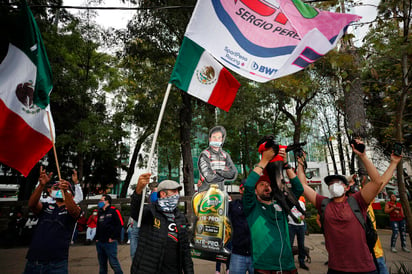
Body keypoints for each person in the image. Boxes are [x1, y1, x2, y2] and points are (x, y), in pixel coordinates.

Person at [300, 139, 382, 273]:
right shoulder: (324, 203)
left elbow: (377, 182)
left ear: (346, 187)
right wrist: (300, 164)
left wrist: (363, 156)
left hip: (364, 268)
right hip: (336, 269)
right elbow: (303, 186)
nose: (334, 185)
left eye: (338, 182)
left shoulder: (357, 200)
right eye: (331, 183)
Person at [243, 146, 304, 273]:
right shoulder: (252, 207)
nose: (266, 186)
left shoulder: (282, 205)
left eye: (268, 184)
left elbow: (298, 189)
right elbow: (248, 185)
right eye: (261, 184)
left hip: (288, 266)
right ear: (255, 190)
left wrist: (286, 164)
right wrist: (264, 160)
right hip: (264, 268)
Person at [130, 173, 194, 274]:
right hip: (149, 269)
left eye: (178, 191)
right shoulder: (150, 212)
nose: (177, 194)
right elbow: (135, 211)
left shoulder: (180, 217)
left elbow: (185, 250)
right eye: (174, 191)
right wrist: (138, 191)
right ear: (163, 194)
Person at [24, 166, 81, 274]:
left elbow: (74, 212)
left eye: (62, 188)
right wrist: (41, 185)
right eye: (56, 188)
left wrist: (66, 193)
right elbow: (32, 204)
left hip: (56, 264)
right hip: (33, 261)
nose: (59, 190)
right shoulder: (46, 206)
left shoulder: (72, 209)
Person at [198, 125, 237, 191]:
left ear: (222, 140)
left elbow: (233, 173)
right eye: (214, 137)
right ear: (210, 139)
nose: (216, 139)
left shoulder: (225, 155)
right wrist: (224, 174)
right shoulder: (205, 154)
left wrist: (217, 172)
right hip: (206, 193)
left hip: (220, 192)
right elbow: (209, 177)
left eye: (219, 138)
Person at [228, 182, 253, 274]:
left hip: (256, 254)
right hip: (237, 254)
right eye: (245, 189)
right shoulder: (234, 205)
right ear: (240, 190)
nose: (247, 191)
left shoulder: (258, 207)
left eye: (251, 189)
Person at [95, 194, 124, 274]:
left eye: (101, 200)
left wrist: (113, 237)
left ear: (107, 201)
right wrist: (96, 238)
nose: (100, 202)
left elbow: (120, 224)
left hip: (110, 242)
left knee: (113, 263)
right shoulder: (100, 212)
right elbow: (98, 225)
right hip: (100, 242)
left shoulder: (114, 210)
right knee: (102, 264)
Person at [288, 196, 309, 271]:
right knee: (289, 244)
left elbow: (304, 212)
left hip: (300, 226)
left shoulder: (301, 203)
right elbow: (287, 212)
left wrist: (303, 216)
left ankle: (301, 262)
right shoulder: (288, 202)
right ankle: (289, 262)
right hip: (291, 225)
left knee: (301, 245)